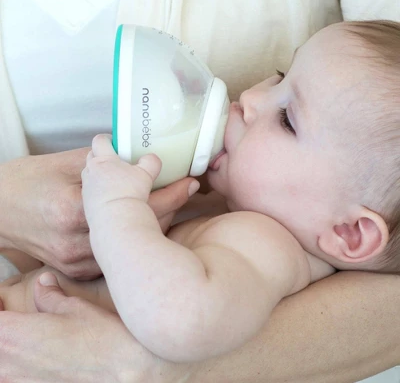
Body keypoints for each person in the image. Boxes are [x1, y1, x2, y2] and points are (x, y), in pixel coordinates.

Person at [1, 20, 400, 374]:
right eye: (280, 76)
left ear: (349, 233)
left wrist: (116, 208)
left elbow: (182, 321)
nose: (253, 98)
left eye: (286, 120)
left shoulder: (266, 244)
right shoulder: (236, 217)